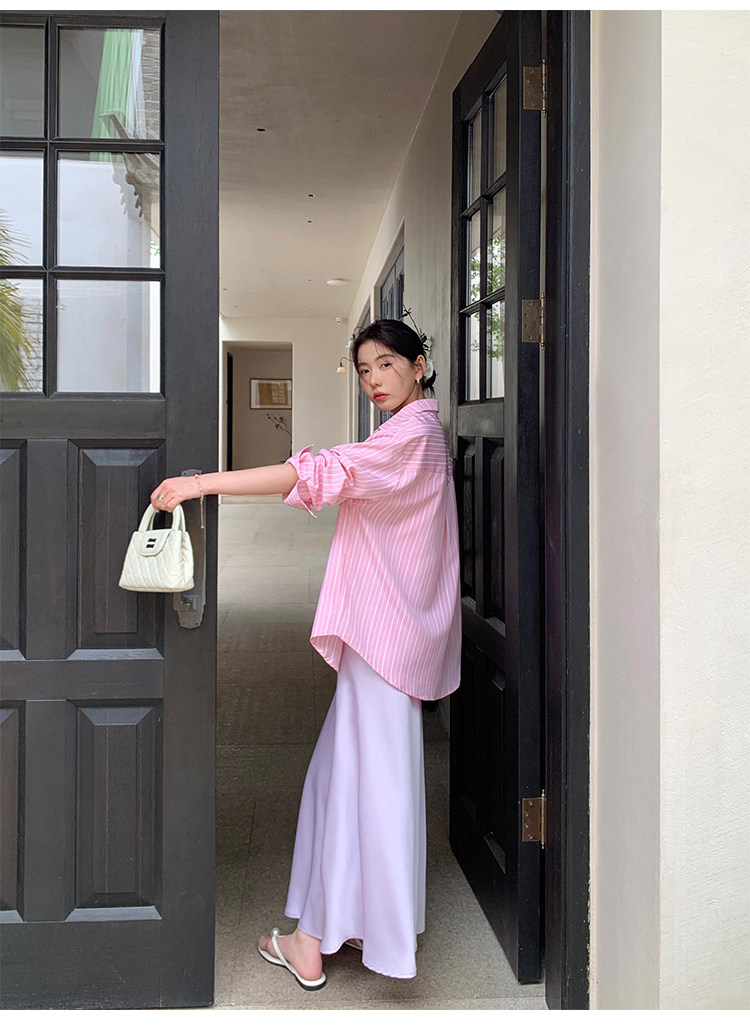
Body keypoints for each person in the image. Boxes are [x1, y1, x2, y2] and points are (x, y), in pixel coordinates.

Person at [150, 318, 461, 989]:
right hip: (390, 636)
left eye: (386, 364)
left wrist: (200, 486)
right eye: (364, 369)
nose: (373, 379)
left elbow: (314, 472)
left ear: (418, 365)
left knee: (359, 785)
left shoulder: (409, 437)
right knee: (350, 779)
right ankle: (329, 932)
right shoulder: (416, 434)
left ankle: (318, 941)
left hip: (383, 638)